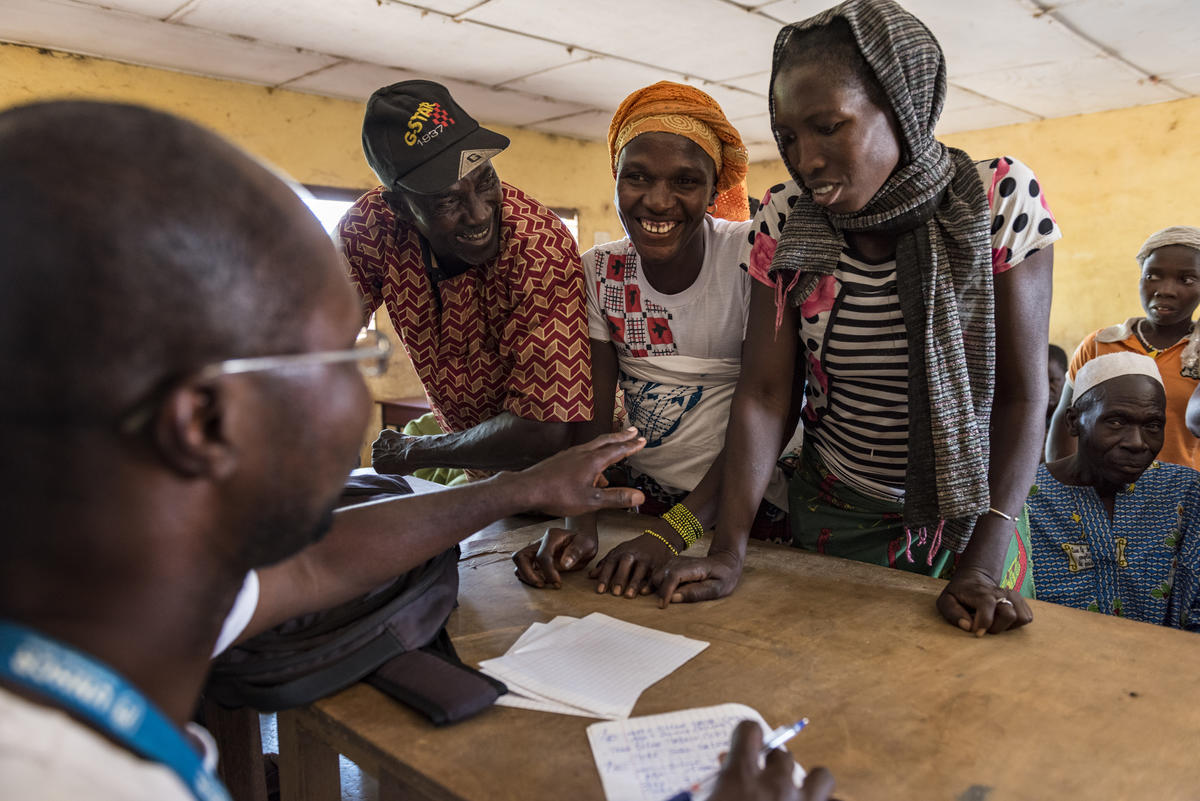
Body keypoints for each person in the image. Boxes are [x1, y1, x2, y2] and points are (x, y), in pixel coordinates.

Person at [0, 99, 650, 799]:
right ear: (205, 423)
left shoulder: (125, 595)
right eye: (335, 356)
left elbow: (314, 567)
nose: (361, 389)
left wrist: (519, 487)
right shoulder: (75, 781)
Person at [654, 0, 1060, 639]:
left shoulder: (994, 200)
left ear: (903, 108)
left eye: (828, 126)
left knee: (972, 709)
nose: (805, 159)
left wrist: (983, 561)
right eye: (788, 136)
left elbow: (1021, 396)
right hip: (837, 509)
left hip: (976, 522)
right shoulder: (787, 220)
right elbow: (765, 397)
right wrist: (728, 549)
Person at [512, 82, 800, 598]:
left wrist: (676, 533)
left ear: (714, 191)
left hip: (751, 510)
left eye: (686, 181)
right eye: (637, 177)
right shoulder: (602, 273)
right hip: (647, 506)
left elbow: (769, 409)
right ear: (616, 181)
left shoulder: (751, 258)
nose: (658, 201)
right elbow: (593, 422)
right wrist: (581, 527)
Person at [338, 80, 594, 478]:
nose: (478, 213)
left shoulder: (538, 248)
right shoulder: (372, 228)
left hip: (572, 477)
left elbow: (543, 430)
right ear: (400, 207)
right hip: (478, 472)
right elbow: (313, 347)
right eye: (447, 200)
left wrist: (413, 453)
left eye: (486, 180)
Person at [1029, 353, 1200, 630]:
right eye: (1117, 422)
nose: (1137, 443)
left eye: (1152, 426)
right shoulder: (1026, 499)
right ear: (1073, 422)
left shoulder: (1184, 493)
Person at [1047, 226, 1200, 468]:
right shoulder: (1101, 344)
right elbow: (1065, 425)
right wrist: (1066, 493)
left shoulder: (1197, 352)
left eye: (1186, 279)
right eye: (1152, 276)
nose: (1165, 290)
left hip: (1185, 497)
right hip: (1104, 495)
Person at [1043, 344, 1068, 460]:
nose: (1045, 387)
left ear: (1067, 377)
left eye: (1052, 380)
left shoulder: (1074, 415)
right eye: (1039, 380)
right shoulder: (1021, 414)